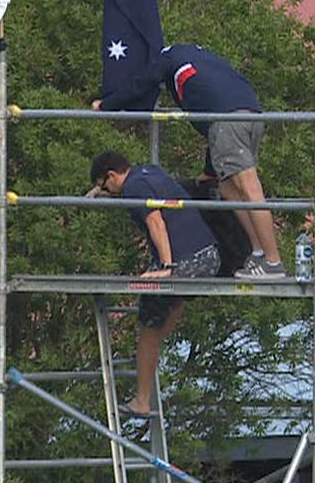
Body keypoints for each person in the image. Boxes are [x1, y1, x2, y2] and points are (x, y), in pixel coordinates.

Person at [93, 44, 283, 279]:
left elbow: (140, 85)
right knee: (227, 188)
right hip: (251, 113)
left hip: (227, 122)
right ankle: (258, 253)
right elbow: (212, 108)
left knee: (251, 190)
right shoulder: (200, 55)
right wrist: (209, 171)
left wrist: (106, 104)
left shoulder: (166, 59)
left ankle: (273, 262)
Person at [89, 150, 221, 418]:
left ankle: (141, 400)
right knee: (168, 311)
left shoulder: (133, 188)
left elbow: (156, 222)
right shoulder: (149, 172)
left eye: (106, 186)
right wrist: (102, 192)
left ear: (112, 176)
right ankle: (152, 353)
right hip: (209, 255)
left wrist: (166, 268)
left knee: (148, 329)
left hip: (185, 262)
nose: (109, 192)